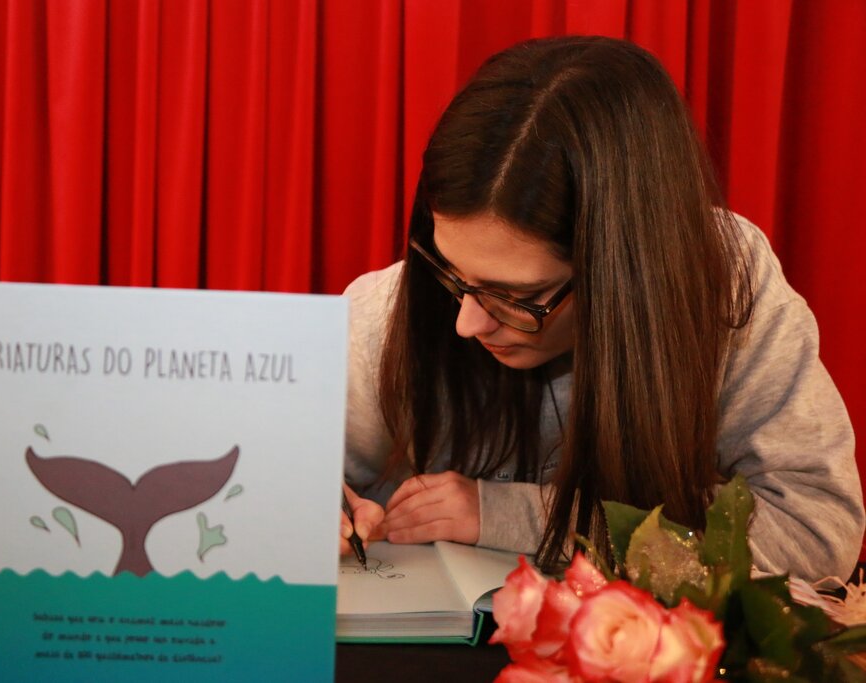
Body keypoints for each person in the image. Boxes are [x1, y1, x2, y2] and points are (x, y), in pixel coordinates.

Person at [338, 35, 864, 581]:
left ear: (625, 267)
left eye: (516, 297)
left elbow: (814, 529)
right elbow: (288, 476)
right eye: (450, 273)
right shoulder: (392, 306)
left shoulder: (726, 284)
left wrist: (516, 515)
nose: (467, 323)